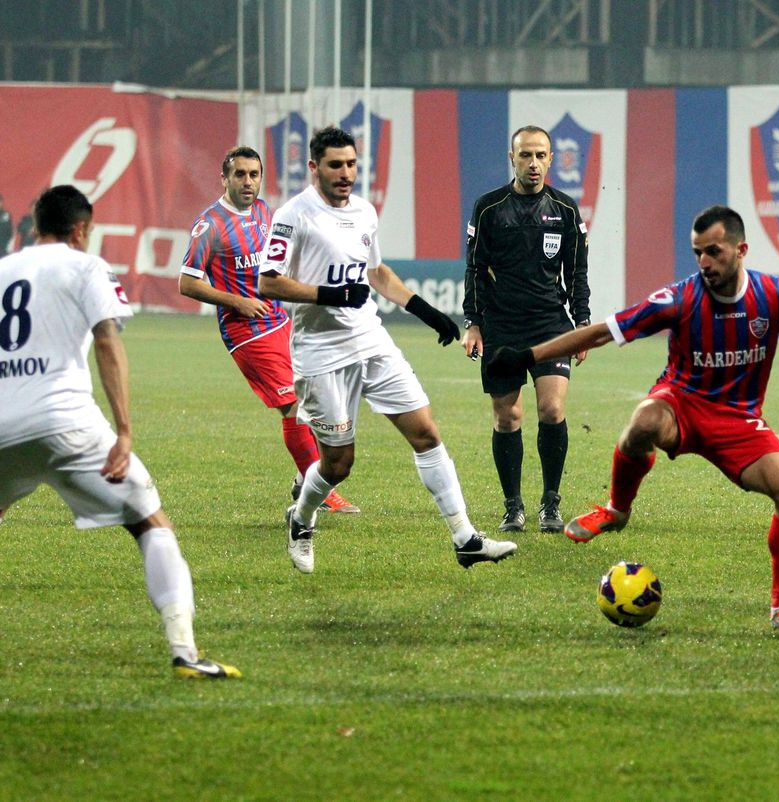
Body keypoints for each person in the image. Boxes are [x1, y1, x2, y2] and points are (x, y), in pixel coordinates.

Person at [489, 205, 779, 631]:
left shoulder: (776, 292)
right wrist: (527, 356)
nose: (704, 262)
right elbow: (600, 332)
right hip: (681, 405)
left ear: (741, 249)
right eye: (697, 252)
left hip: (739, 422)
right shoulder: (679, 299)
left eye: (714, 252)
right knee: (644, 421)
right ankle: (617, 509)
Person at [0, 185, 240, 679]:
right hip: (66, 423)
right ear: (82, 229)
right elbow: (108, 343)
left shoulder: (2, 270)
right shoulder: (87, 266)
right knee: (151, 523)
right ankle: (185, 653)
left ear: (34, 224)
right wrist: (125, 432)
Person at [258, 126, 516, 573]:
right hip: (320, 352)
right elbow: (269, 281)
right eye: (335, 165)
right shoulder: (292, 216)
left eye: (352, 165)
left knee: (426, 433)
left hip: (371, 340)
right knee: (339, 463)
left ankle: (465, 538)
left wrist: (426, 310)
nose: (345, 174)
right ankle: (301, 518)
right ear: (314, 168)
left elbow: (375, 272)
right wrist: (330, 294)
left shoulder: (363, 211)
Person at [179, 146, 358, 514]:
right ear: (225, 178)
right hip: (248, 333)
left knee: (316, 399)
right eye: (240, 174)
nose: (248, 182)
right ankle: (318, 490)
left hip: (282, 321)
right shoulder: (209, 225)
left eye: (254, 174)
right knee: (292, 406)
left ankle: (303, 480)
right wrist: (236, 301)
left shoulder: (264, 212)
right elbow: (187, 283)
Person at [462, 125, 591, 535]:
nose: (533, 164)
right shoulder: (488, 208)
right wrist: (473, 322)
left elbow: (577, 272)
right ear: (512, 158)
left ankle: (550, 503)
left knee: (552, 410)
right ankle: (512, 504)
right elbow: (475, 270)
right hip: (502, 326)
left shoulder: (566, 210)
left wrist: (583, 322)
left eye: (540, 156)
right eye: (525, 156)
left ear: (551, 159)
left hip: (550, 324)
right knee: (508, 416)